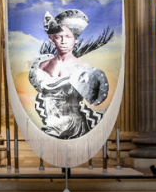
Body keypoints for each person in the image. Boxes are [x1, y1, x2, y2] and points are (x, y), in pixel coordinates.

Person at [29, 9, 108, 139]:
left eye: (68, 37)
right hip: (50, 128)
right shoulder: (41, 66)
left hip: (76, 129)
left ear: (75, 41)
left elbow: (95, 99)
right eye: (59, 37)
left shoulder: (84, 70)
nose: (63, 41)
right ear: (52, 39)